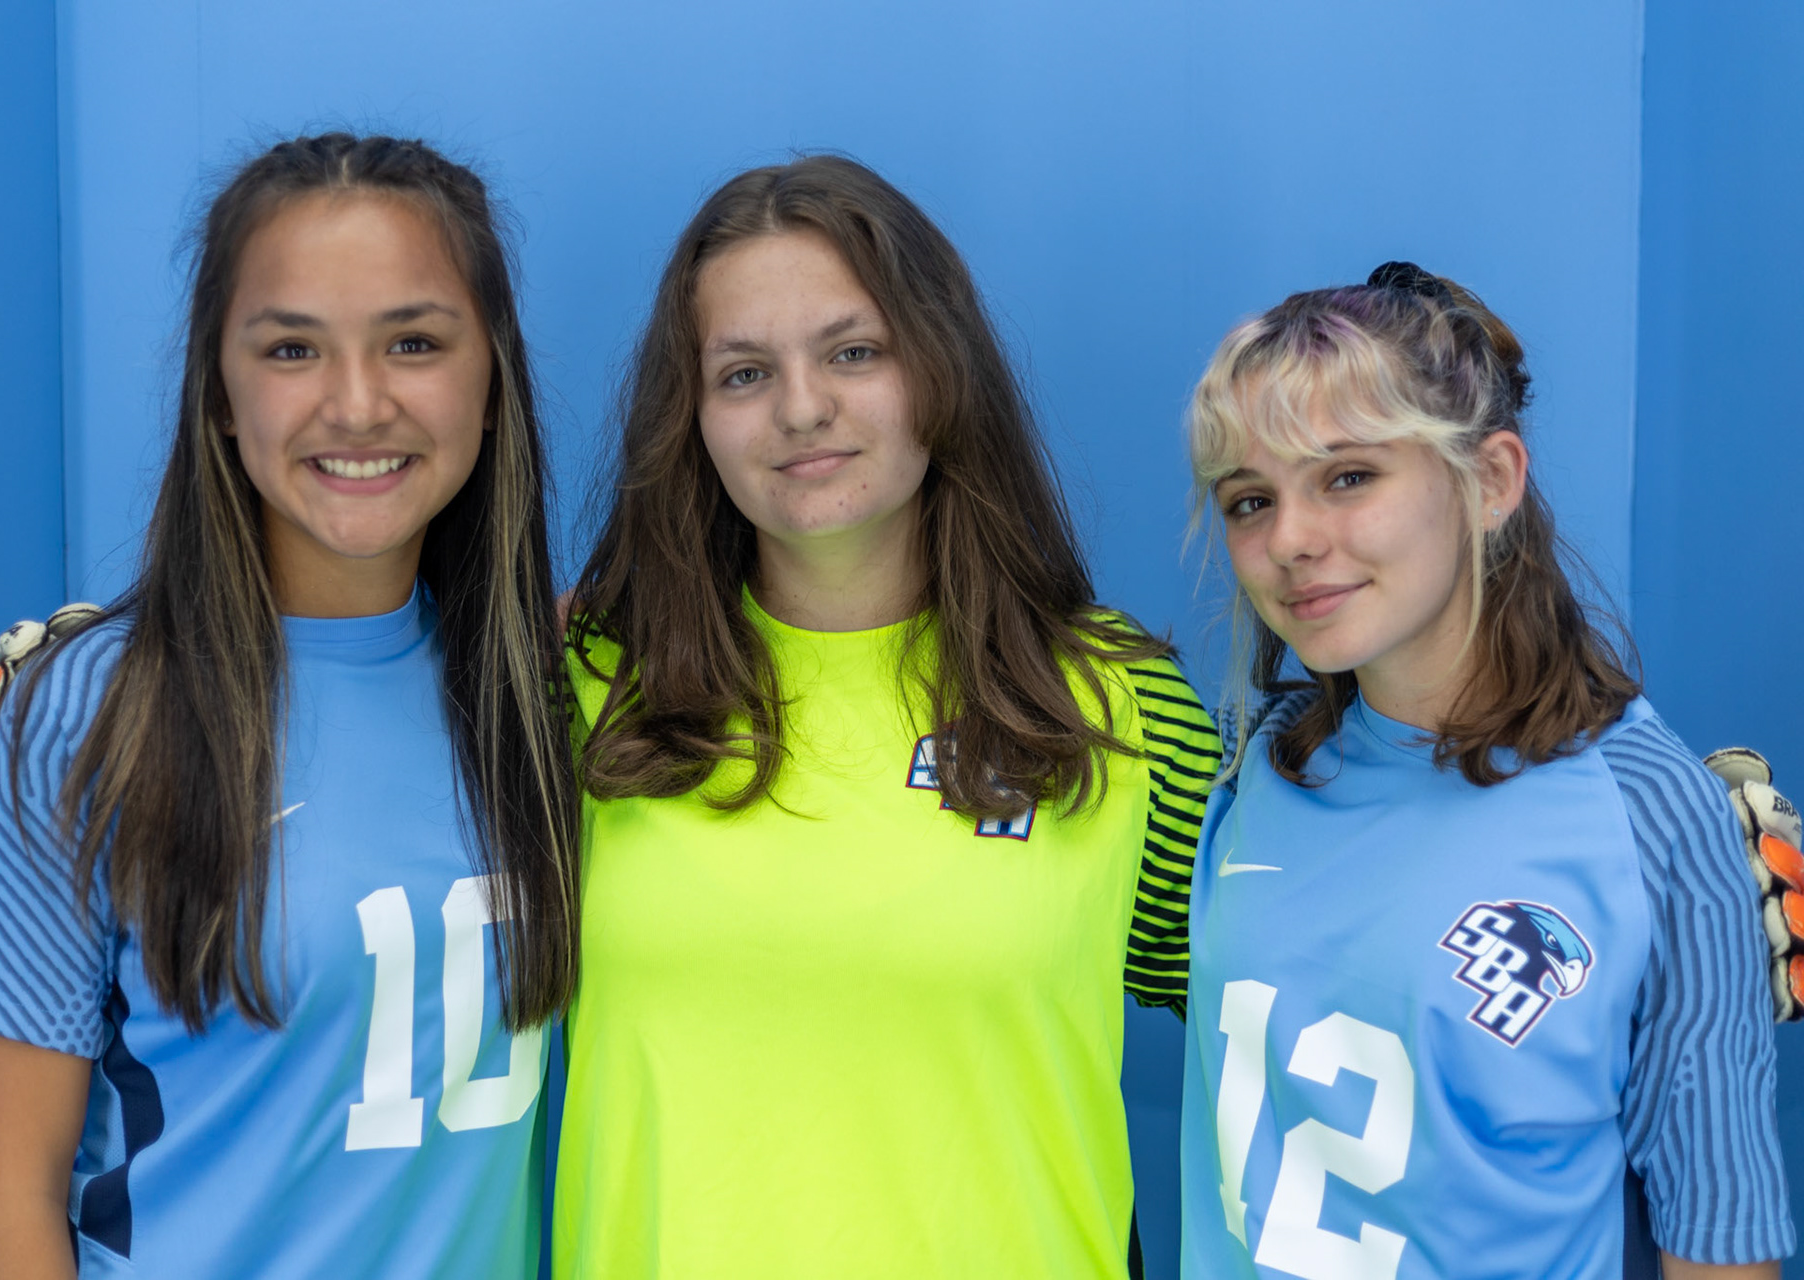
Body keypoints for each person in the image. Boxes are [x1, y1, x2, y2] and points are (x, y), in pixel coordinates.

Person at [0, 133, 579, 1277]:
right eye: (292, 347)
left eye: (413, 341)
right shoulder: (92, 711)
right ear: (217, 388)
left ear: (492, 376)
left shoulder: (549, 692)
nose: (357, 403)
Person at [552, 154, 1220, 1278]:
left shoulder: (1118, 703)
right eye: (745, 371)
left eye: (854, 352)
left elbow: (1302, 1012)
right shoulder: (585, 690)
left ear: (939, 371)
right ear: (694, 417)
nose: (803, 406)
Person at [1175, 262, 1793, 1277]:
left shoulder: (1649, 810)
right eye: (1249, 499)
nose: (1289, 539)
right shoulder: (1259, 769)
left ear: (1492, 480)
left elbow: (1721, 1240)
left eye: (1347, 476)